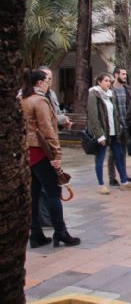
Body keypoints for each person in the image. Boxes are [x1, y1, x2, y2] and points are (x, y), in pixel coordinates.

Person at [21, 69, 80, 248]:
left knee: (35, 193)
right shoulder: (39, 101)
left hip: (28, 152)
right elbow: (48, 130)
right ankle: (60, 232)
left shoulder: (23, 99)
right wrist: (57, 154)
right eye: (47, 80)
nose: (49, 83)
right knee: (54, 193)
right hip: (41, 152)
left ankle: (36, 233)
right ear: (39, 83)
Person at [87, 73, 131, 194]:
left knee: (119, 155)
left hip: (114, 131)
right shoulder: (94, 94)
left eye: (109, 81)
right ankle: (101, 185)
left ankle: (124, 182)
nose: (108, 83)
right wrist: (99, 135)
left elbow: (115, 113)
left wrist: (120, 127)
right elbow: (93, 116)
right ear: (99, 82)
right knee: (100, 158)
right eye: (105, 81)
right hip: (103, 132)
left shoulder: (110, 94)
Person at [108, 67, 131, 187]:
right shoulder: (109, 89)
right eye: (123, 74)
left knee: (123, 151)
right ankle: (112, 177)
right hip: (114, 126)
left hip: (126, 125)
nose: (125, 76)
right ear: (116, 74)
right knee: (113, 153)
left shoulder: (127, 89)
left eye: (126, 74)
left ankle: (123, 175)